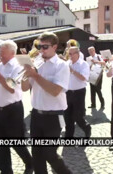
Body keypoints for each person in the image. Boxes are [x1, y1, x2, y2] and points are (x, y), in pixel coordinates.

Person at [22, 32, 72, 174]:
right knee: (37, 154)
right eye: (39, 46)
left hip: (54, 116)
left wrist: (35, 75)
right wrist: (25, 73)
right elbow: (25, 88)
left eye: (45, 47)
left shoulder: (61, 65)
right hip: (36, 115)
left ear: (54, 47)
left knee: (49, 153)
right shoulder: (36, 63)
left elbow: (56, 90)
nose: (41, 50)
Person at [0, 40, 33, 174]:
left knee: (17, 142)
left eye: (2, 51)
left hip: (13, 109)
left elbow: (11, 88)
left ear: (11, 53)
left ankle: (30, 163)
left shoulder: (17, 67)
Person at [64, 46, 91, 138]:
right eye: (69, 54)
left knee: (78, 116)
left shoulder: (84, 64)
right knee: (67, 117)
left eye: (72, 54)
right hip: (68, 93)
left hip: (79, 92)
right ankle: (68, 137)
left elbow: (84, 78)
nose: (70, 56)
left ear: (78, 54)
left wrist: (72, 71)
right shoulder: (67, 63)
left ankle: (87, 129)